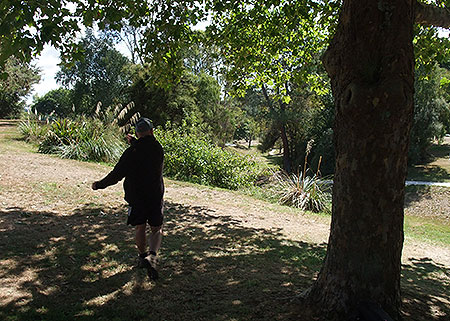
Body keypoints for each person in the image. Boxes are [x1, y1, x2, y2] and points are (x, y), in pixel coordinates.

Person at [92, 117, 164, 280]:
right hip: (154, 195)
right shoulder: (158, 149)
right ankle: (152, 257)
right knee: (156, 228)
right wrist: (136, 142)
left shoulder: (131, 153)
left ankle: (142, 256)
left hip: (136, 196)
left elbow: (116, 174)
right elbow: (147, 148)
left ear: (137, 133)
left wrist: (99, 185)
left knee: (139, 227)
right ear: (152, 132)